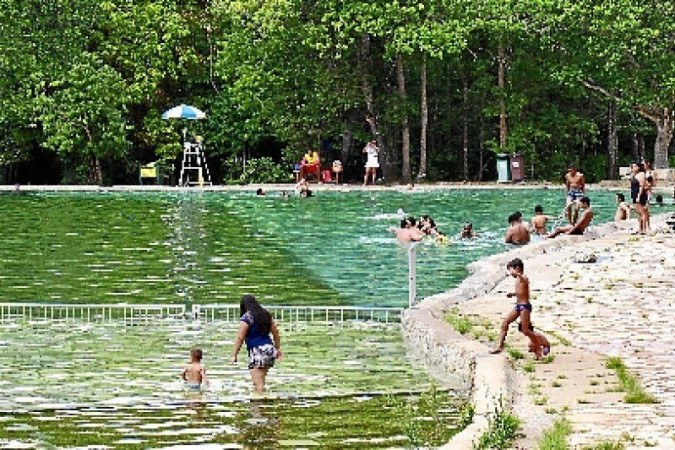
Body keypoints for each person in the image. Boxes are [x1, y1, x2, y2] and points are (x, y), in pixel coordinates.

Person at [490, 258, 542, 359]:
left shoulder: (523, 277)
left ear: (517, 268)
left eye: (511, 270)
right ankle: (499, 346)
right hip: (518, 306)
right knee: (505, 323)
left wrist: (518, 274)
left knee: (526, 330)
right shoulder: (518, 279)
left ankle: (538, 349)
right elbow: (522, 292)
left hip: (525, 307)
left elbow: (525, 281)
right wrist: (513, 294)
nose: (510, 273)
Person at [232, 295, 283, 393]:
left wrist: (234, 355)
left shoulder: (246, 318)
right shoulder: (266, 315)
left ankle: (258, 405)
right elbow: (276, 333)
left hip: (257, 351)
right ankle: (263, 404)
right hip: (269, 349)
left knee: (258, 384)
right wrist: (277, 348)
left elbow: (240, 338)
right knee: (261, 381)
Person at [629, 162, 648, 234]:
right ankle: (640, 228)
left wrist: (638, 196)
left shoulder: (641, 174)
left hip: (640, 195)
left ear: (638, 167)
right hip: (634, 194)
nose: (632, 168)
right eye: (632, 167)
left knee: (642, 212)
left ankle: (644, 229)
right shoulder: (634, 175)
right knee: (638, 213)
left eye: (634, 166)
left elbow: (641, 186)